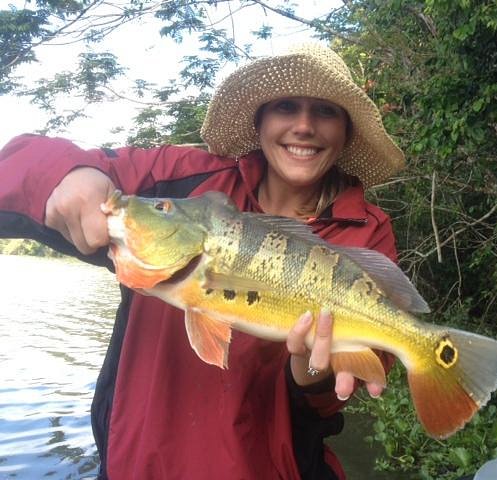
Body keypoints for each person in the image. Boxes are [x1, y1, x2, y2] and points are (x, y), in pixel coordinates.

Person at [0, 43, 405, 479]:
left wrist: (314, 378)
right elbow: (17, 167)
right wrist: (64, 176)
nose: (303, 126)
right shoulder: (181, 182)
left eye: (325, 111)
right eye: (286, 106)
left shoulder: (366, 229)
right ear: (260, 119)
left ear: (345, 131)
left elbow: (355, 378)